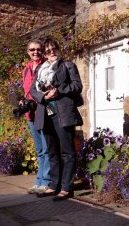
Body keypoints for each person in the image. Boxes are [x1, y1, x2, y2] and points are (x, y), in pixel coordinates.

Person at [30, 38, 83, 201]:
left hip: (63, 112)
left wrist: (58, 91)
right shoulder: (40, 69)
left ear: (58, 49)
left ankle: (67, 188)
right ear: (44, 54)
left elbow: (77, 86)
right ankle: (54, 185)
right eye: (47, 50)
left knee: (67, 151)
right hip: (45, 113)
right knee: (52, 151)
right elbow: (33, 90)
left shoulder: (67, 65)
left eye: (54, 48)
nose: (51, 52)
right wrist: (43, 96)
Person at [21, 40, 51, 194]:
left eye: (38, 49)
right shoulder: (26, 69)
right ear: (28, 51)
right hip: (30, 114)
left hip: (42, 111)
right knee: (39, 149)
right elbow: (26, 90)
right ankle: (39, 180)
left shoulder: (46, 66)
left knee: (46, 148)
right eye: (32, 49)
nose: (35, 52)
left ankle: (46, 181)